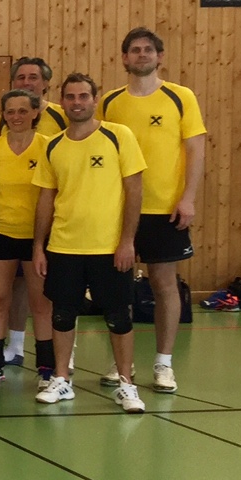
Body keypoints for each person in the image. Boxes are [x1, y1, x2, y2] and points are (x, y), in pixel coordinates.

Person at [32, 74, 147, 413]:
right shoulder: (53, 145)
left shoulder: (118, 135)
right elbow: (46, 198)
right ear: (62, 101)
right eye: (70, 97)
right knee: (62, 315)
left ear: (95, 99)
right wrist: (39, 246)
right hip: (64, 246)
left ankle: (126, 384)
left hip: (108, 248)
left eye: (83, 96)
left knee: (118, 317)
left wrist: (127, 241)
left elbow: (134, 190)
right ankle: (62, 379)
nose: (77, 102)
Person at [100, 27, 205, 394]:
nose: (141, 54)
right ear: (124, 58)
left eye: (148, 49)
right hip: (118, 209)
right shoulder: (110, 102)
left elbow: (195, 149)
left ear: (159, 57)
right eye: (135, 50)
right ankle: (122, 362)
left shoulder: (180, 97)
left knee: (164, 284)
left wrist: (188, 197)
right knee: (118, 287)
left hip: (165, 209)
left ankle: (164, 363)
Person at [0, 90, 56, 389]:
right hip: (1, 234)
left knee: (41, 304)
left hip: (38, 237)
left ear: (35, 113)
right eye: (10, 111)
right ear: (3, 115)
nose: (16, 116)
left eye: (22, 110)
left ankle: (46, 369)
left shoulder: (48, 146)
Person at [6, 57, 70, 137]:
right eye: (21, 78)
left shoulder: (62, 115)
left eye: (33, 78)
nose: (26, 82)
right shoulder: (3, 120)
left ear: (45, 83)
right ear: (13, 83)